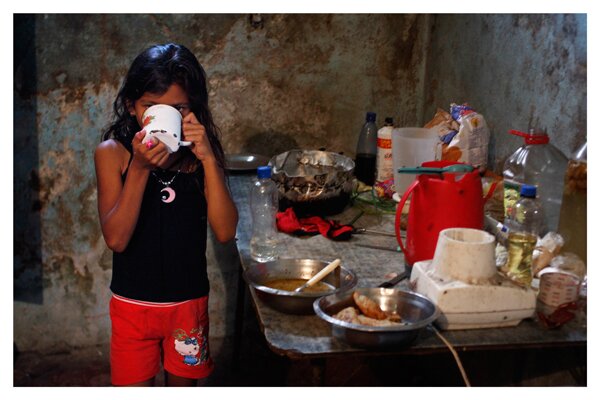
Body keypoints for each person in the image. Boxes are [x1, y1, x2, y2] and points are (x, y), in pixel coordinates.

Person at [94, 43, 238, 386]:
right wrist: (140, 169)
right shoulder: (112, 154)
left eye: (177, 108)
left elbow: (225, 231)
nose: (162, 117)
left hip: (186, 307)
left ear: (192, 109)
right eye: (150, 107)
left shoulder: (199, 157)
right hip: (132, 307)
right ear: (132, 106)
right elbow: (116, 238)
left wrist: (208, 160)